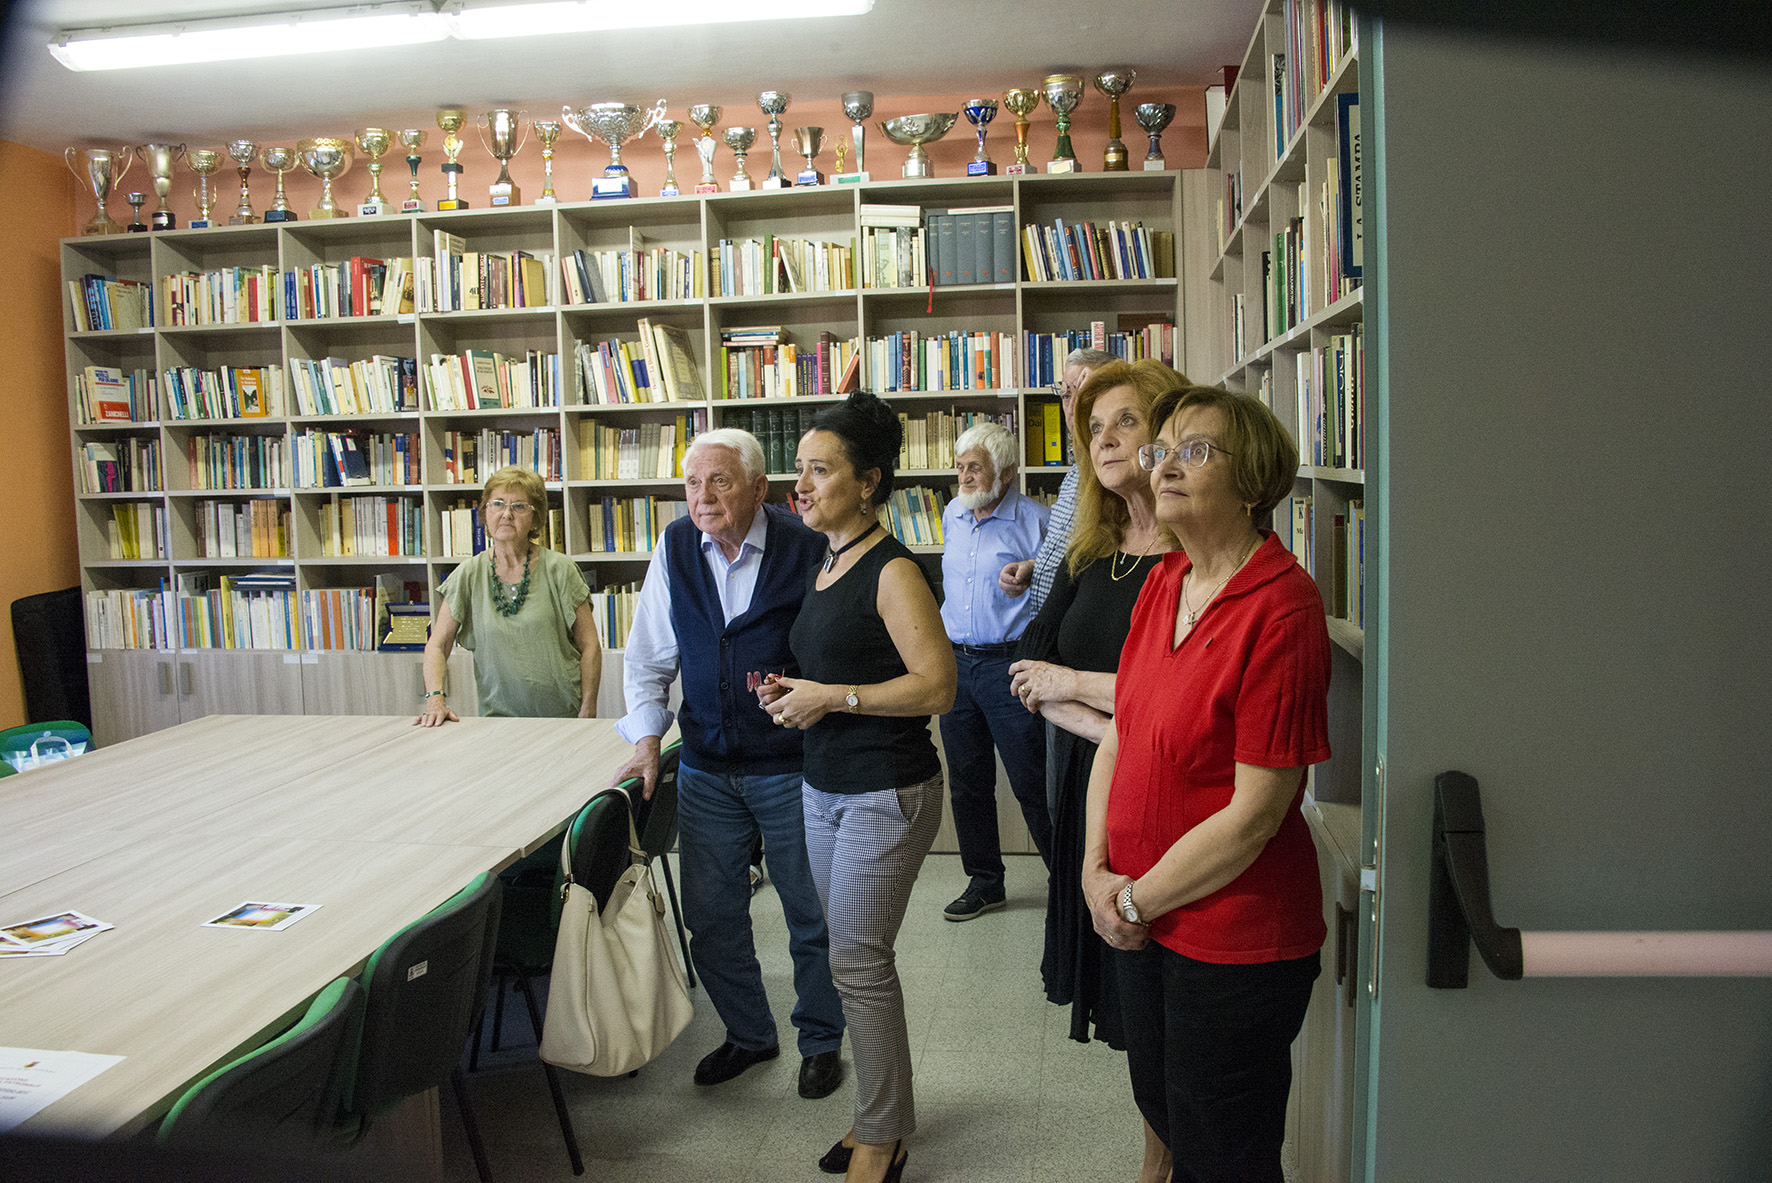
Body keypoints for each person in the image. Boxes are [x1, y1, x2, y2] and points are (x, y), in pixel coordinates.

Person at [1087, 384, 1331, 1182]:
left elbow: (1258, 813)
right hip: (1142, 911)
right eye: (1163, 450)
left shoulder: (1283, 606)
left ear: (1253, 479)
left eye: (1196, 450)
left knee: (1225, 1149)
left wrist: (1133, 897)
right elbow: (1120, 732)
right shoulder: (1164, 581)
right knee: (1164, 1109)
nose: (1164, 465)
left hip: (1232, 936)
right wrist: (1096, 870)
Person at [609, 427, 846, 1100]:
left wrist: (812, 693)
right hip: (707, 765)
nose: (703, 497)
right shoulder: (677, 546)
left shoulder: (808, 546)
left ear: (758, 488)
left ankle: (822, 1040)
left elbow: (841, 646)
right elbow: (649, 655)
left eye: (720, 481)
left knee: (812, 915)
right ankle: (749, 1033)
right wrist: (647, 740)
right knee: (712, 916)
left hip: (792, 763)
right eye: (692, 483)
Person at [758, 392, 956, 1183]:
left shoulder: (893, 568)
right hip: (826, 785)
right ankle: (884, 1114)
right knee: (852, 961)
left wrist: (831, 697)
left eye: (819, 470)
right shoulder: (828, 561)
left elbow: (938, 686)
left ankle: (882, 1135)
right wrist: (796, 693)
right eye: (800, 468)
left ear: (868, 481)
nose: (799, 484)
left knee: (859, 961)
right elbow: (847, 667)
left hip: (886, 790)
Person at [1008, 358, 1184, 1183]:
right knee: (1130, 1001)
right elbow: (1027, 670)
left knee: (1166, 998)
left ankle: (1167, 1163)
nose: (1104, 438)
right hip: (1092, 784)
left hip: (1168, 795)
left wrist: (1078, 689)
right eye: (1095, 425)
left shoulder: (1194, 551)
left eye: (1127, 420)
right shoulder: (1091, 547)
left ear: (1169, 432)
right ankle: (1160, 1158)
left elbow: (1182, 695)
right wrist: (1103, 716)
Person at [936, 421, 1052, 921]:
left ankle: (1066, 879)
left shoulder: (1037, 522)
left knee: (1031, 780)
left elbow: (1057, 596)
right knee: (967, 781)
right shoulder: (952, 514)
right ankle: (985, 882)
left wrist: (1029, 575)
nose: (964, 475)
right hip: (957, 665)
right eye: (960, 466)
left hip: (1011, 665)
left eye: (974, 467)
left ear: (1004, 471)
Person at [417, 465, 599, 724]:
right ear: (485, 512)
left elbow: (590, 645)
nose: (506, 514)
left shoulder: (561, 569)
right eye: (497, 504)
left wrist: (589, 708)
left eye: (519, 506)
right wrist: (435, 699)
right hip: (497, 720)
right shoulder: (468, 574)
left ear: (536, 519)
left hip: (563, 716)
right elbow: (438, 644)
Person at [998, 346, 1116, 611]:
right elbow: (1071, 550)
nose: (1073, 407)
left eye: (1086, 393)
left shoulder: (1112, 472)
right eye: (1065, 395)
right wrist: (1035, 567)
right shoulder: (1075, 472)